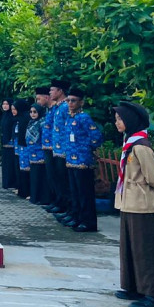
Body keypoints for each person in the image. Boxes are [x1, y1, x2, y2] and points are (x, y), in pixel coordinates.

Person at [111, 101, 154, 307]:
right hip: (129, 202)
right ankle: (133, 287)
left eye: (120, 119)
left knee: (145, 250)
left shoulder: (141, 146)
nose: (117, 123)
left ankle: (153, 296)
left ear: (131, 121)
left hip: (142, 204)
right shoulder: (130, 143)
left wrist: (138, 187)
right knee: (130, 247)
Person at [62, 88, 102, 232]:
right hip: (71, 160)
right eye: (68, 100)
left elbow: (96, 136)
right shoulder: (70, 118)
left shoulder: (84, 118)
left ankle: (88, 222)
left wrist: (87, 148)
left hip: (83, 161)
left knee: (85, 193)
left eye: (73, 101)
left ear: (81, 102)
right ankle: (77, 216)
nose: (70, 103)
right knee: (75, 191)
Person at [47, 80, 72, 218]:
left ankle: (66, 207)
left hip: (64, 150)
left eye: (52, 90)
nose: (50, 92)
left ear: (60, 91)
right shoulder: (57, 107)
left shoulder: (64, 107)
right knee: (58, 179)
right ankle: (60, 203)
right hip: (56, 149)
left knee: (64, 180)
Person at [25, 104, 51, 206]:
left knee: (40, 176)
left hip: (40, 152)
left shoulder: (42, 122)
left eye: (35, 112)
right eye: (31, 112)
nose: (32, 114)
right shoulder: (31, 122)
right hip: (32, 152)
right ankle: (34, 196)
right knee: (34, 176)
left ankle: (42, 198)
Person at [12, 99, 30, 200]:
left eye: (15, 109)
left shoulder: (26, 117)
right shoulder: (19, 118)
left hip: (27, 146)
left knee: (26, 169)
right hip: (21, 146)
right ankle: (21, 189)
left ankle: (26, 191)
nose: (13, 111)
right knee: (21, 168)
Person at [0, 99, 16, 190]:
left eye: (7, 104)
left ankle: (11, 183)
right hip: (4, 143)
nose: (5, 106)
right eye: (3, 104)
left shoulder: (12, 116)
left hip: (11, 144)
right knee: (5, 164)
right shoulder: (4, 115)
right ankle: (6, 183)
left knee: (11, 164)